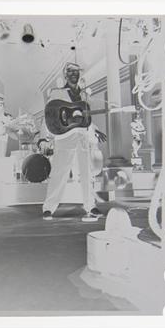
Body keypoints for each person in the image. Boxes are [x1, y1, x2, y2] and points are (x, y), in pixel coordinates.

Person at [42, 63, 107, 221]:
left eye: (76, 72)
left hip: (82, 137)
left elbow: (85, 117)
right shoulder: (57, 93)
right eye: (70, 71)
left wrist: (94, 129)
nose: (74, 74)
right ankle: (49, 208)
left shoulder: (84, 95)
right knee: (59, 173)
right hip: (64, 137)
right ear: (65, 75)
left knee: (86, 173)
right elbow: (49, 115)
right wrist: (44, 138)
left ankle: (90, 206)